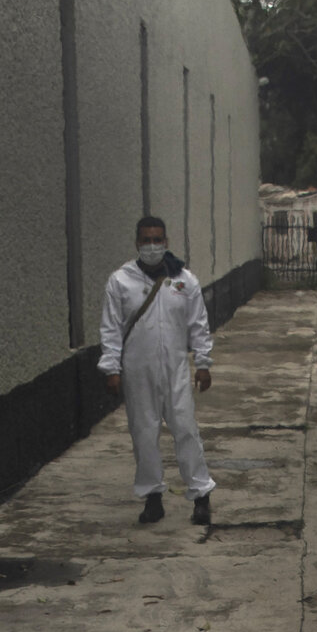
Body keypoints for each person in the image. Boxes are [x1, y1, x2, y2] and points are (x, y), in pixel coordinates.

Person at [100, 215, 215, 525]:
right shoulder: (120, 281)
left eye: (158, 239)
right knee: (144, 433)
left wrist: (203, 363)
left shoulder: (184, 280)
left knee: (186, 430)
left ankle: (201, 494)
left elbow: (199, 325)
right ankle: (153, 497)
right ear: (137, 243)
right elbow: (110, 329)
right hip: (138, 371)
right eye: (146, 240)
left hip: (176, 369)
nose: (152, 245)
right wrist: (111, 368)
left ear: (167, 242)